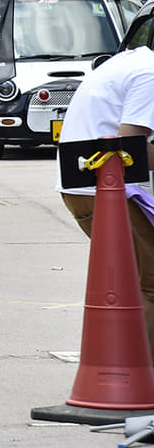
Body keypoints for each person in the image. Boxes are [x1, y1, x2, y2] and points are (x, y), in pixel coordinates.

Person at [58, 45, 154, 359]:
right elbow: (129, 152)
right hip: (104, 191)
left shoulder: (132, 61)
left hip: (82, 186)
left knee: (132, 282)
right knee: (151, 283)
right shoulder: (150, 73)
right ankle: (140, 378)